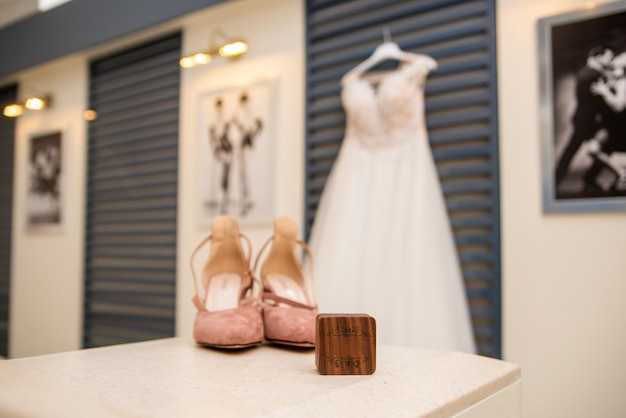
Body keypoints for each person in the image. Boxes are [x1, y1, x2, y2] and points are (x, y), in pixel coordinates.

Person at [308, 41, 476, 352]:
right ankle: (342, 352)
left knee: (409, 258)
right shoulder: (351, 81)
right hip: (355, 181)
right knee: (349, 256)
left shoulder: (417, 70)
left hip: (407, 175)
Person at [554, 46, 614, 189]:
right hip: (587, 121)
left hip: (584, 120)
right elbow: (603, 99)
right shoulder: (594, 75)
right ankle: (585, 180)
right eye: (608, 57)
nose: (610, 61)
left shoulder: (585, 73)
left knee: (595, 148)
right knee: (576, 150)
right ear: (598, 57)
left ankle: (586, 180)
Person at [585, 50, 626, 191]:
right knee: (594, 150)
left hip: (620, 127)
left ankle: (621, 176)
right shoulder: (615, 81)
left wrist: (605, 91)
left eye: (615, 68)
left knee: (595, 150)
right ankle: (620, 175)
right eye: (611, 68)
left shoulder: (623, 83)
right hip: (612, 126)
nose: (612, 70)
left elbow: (619, 106)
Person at [232, 91, 263, 216]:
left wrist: (251, 136)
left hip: (247, 148)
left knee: (245, 175)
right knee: (242, 175)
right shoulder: (242, 113)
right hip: (242, 148)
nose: (243, 104)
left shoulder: (250, 114)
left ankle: (246, 201)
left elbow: (258, 126)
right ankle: (245, 201)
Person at [208, 97, 233, 214]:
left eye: (221, 107)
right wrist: (217, 152)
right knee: (220, 179)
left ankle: (224, 204)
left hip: (226, 153)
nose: (220, 110)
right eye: (219, 107)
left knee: (225, 179)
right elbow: (212, 141)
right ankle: (220, 205)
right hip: (219, 154)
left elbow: (229, 140)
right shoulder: (213, 124)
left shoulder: (226, 123)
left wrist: (228, 154)